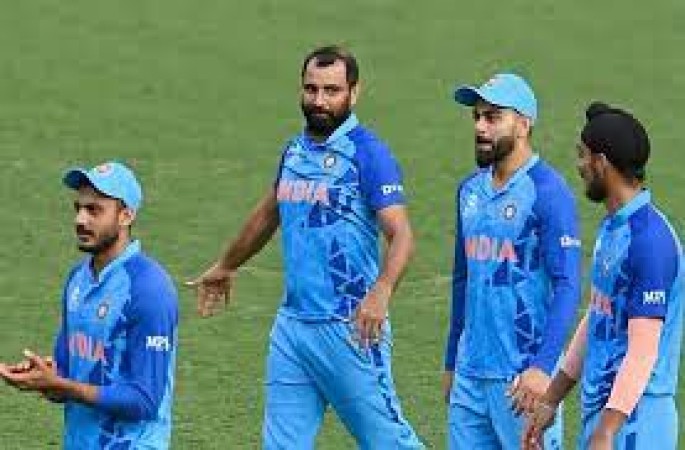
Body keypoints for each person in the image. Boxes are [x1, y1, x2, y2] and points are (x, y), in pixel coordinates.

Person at [187, 45, 424, 449]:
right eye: (311, 89)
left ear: (354, 93)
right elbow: (268, 214)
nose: (319, 101)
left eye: (332, 91)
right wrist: (226, 265)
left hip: (350, 329)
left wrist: (381, 292)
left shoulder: (368, 154)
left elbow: (402, 235)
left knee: (390, 442)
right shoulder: (295, 152)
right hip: (293, 330)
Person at [522, 102, 684, 450]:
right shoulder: (615, 229)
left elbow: (642, 352)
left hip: (637, 420)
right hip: (607, 412)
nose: (579, 166)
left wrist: (608, 430)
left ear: (602, 162)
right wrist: (551, 399)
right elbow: (598, 317)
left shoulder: (649, 242)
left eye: (583, 155)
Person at [443, 73, 583, 450]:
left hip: (523, 379)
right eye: (477, 116)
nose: (480, 127)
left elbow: (568, 284)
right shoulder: (469, 191)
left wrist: (542, 367)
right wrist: (451, 360)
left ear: (523, 124)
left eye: (493, 117)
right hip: (470, 374)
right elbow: (462, 279)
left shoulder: (548, 193)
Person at [0, 161, 179, 449]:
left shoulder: (148, 289)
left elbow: (145, 400)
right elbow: (67, 372)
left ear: (126, 216)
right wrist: (43, 376)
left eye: (94, 210)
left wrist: (63, 386)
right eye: (78, 208)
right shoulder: (78, 280)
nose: (80, 220)